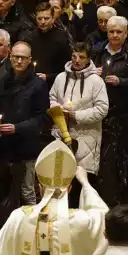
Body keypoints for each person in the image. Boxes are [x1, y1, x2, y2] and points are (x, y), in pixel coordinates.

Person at [91, 16, 128, 206]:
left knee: (117, 158)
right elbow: (81, 71)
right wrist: (90, 73)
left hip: (121, 113)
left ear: (126, 34)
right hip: (98, 112)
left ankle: (117, 198)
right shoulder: (97, 51)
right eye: (111, 31)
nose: (114, 35)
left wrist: (121, 81)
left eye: (118, 32)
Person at [49, 42, 109, 208]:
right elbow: (52, 97)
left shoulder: (96, 82)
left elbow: (103, 109)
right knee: (61, 179)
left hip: (86, 137)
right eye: (74, 56)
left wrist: (77, 115)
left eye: (81, 57)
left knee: (82, 182)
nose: (76, 60)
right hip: (62, 133)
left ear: (88, 59)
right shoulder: (61, 78)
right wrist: (58, 109)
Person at [0, 42, 51, 206]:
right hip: (5, 145)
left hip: (26, 146)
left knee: (27, 191)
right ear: (10, 57)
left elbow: (43, 119)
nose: (19, 61)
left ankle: (31, 226)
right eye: (16, 57)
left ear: (30, 60)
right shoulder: (3, 81)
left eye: (23, 58)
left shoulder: (38, 85)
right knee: (4, 190)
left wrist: (17, 128)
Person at [22, 2, 72, 88]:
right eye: (39, 19)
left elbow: (68, 67)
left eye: (46, 18)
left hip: (55, 85)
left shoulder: (62, 38)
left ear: (53, 19)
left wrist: (48, 77)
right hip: (33, 84)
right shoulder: (30, 37)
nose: (43, 22)